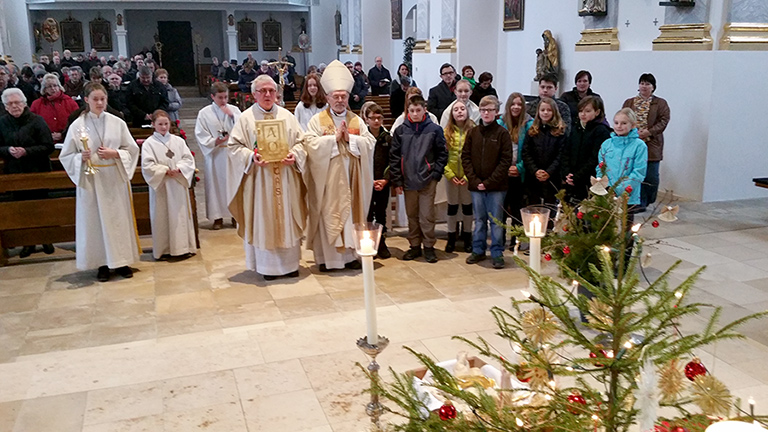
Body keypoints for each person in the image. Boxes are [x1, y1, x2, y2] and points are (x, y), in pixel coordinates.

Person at [297, 60, 376, 272]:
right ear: (328, 98)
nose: (340, 100)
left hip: (352, 178)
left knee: (351, 214)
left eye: (344, 96)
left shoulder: (356, 121)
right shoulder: (317, 120)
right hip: (327, 180)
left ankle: (350, 256)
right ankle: (327, 259)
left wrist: (351, 139)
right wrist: (333, 139)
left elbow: (370, 143)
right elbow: (309, 143)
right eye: (336, 96)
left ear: (348, 98)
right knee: (328, 214)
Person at [59, 82, 141, 281]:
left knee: (118, 221)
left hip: (114, 179)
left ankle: (122, 261)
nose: (99, 102)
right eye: (95, 99)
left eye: (102, 99)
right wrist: (81, 157)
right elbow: (66, 155)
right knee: (96, 223)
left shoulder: (117, 122)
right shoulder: (77, 126)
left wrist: (115, 153)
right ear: (86, 100)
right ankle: (102, 264)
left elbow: (132, 149)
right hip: (92, 181)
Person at [389, 95, 447, 263]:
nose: (415, 114)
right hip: (408, 181)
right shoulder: (401, 130)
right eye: (411, 110)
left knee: (426, 215)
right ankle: (414, 246)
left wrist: (436, 174)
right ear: (408, 111)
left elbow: (442, 154)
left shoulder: (434, 130)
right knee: (412, 215)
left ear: (424, 110)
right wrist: (397, 181)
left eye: (418, 110)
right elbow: (394, 157)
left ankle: (428, 247)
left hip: (428, 179)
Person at [0, 88, 56, 257]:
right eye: (10, 104)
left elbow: (48, 146)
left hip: (38, 171)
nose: (14, 106)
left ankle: (47, 239)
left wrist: (26, 151)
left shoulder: (37, 121)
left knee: (41, 207)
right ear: (5, 106)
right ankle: (27, 243)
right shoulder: (2, 122)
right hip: (16, 174)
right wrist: (8, 150)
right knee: (22, 209)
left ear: (24, 104)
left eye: (17, 102)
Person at [462, 96, 514, 269]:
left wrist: (489, 182)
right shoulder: (473, 132)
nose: (486, 113)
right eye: (483, 110)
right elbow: (466, 157)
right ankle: (478, 250)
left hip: (496, 187)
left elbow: (505, 161)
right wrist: (476, 181)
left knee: (496, 221)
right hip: (476, 185)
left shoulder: (502, 134)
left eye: (489, 110)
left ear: (496, 112)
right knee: (479, 220)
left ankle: (497, 252)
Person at [141, 109, 197, 260]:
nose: (164, 127)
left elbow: (188, 159)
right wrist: (165, 170)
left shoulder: (178, 141)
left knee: (179, 217)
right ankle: (164, 249)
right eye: (160, 124)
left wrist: (179, 168)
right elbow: (147, 165)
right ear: (153, 125)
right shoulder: (149, 144)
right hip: (162, 186)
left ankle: (183, 248)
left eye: (166, 124)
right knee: (163, 217)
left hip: (177, 183)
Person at [194, 82, 242, 230]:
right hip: (215, 154)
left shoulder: (235, 110)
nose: (223, 101)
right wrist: (214, 141)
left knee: (233, 184)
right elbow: (200, 133)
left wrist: (233, 117)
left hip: (231, 153)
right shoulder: (204, 113)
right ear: (212, 97)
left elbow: (243, 127)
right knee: (216, 186)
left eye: (226, 97)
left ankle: (235, 215)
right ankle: (217, 217)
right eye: (220, 97)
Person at [622, 73, 670, 209]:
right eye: (642, 83)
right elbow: (623, 117)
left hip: (651, 143)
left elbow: (664, 120)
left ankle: (648, 199)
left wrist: (649, 132)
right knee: (635, 174)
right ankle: (637, 202)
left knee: (650, 175)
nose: (644, 86)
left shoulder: (660, 103)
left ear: (653, 87)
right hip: (632, 142)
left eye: (647, 84)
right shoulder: (629, 102)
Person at [498, 92, 533, 250]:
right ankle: (500, 239)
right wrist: (505, 168)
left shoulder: (529, 125)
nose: (516, 107)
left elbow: (530, 150)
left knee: (518, 208)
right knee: (503, 208)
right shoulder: (500, 123)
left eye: (519, 104)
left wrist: (519, 167)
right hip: (503, 173)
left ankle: (516, 240)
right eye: (513, 104)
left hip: (520, 173)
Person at [562, 96, 611, 203]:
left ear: (597, 112)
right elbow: (566, 151)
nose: (582, 114)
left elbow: (595, 158)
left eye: (587, 111)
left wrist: (577, 176)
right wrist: (567, 173)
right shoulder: (577, 128)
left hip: (588, 179)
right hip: (572, 177)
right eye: (580, 111)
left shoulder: (602, 131)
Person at [597, 107, 648, 209]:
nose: (619, 126)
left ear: (632, 125)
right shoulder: (607, 144)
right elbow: (600, 167)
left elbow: (639, 172)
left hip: (628, 195)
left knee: (625, 223)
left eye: (624, 123)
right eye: (616, 123)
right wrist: (604, 186)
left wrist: (619, 189)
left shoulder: (639, 146)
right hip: (606, 193)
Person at [443, 100, 475, 254]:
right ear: (452, 113)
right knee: (452, 207)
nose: (460, 111)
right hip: (452, 176)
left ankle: (468, 237)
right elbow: (442, 156)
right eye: (456, 109)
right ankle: (451, 238)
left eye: (462, 109)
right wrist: (449, 173)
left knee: (468, 207)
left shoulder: (474, 130)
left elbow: (476, 156)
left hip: (468, 176)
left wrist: (468, 176)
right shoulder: (446, 131)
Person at [522, 97, 567, 208]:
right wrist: (536, 171)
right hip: (533, 177)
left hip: (552, 177)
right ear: (538, 112)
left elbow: (561, 155)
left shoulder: (560, 132)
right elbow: (526, 153)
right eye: (543, 110)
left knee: (550, 208)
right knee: (533, 208)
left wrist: (549, 172)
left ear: (554, 112)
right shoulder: (532, 131)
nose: (545, 113)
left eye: (549, 110)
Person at [364, 103, 392, 259]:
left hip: (383, 183)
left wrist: (385, 180)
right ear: (366, 119)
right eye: (372, 118)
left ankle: (381, 243)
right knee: (368, 214)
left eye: (379, 118)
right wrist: (370, 180)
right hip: (367, 182)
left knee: (381, 214)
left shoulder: (387, 138)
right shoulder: (363, 138)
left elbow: (392, 161)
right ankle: (369, 243)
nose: (376, 121)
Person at [30, 73, 80, 144]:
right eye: (49, 86)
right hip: (45, 142)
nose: (53, 88)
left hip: (68, 140)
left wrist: (63, 134)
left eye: (55, 85)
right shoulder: (36, 104)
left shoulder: (69, 102)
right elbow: (33, 124)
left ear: (59, 86)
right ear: (44, 89)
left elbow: (78, 121)